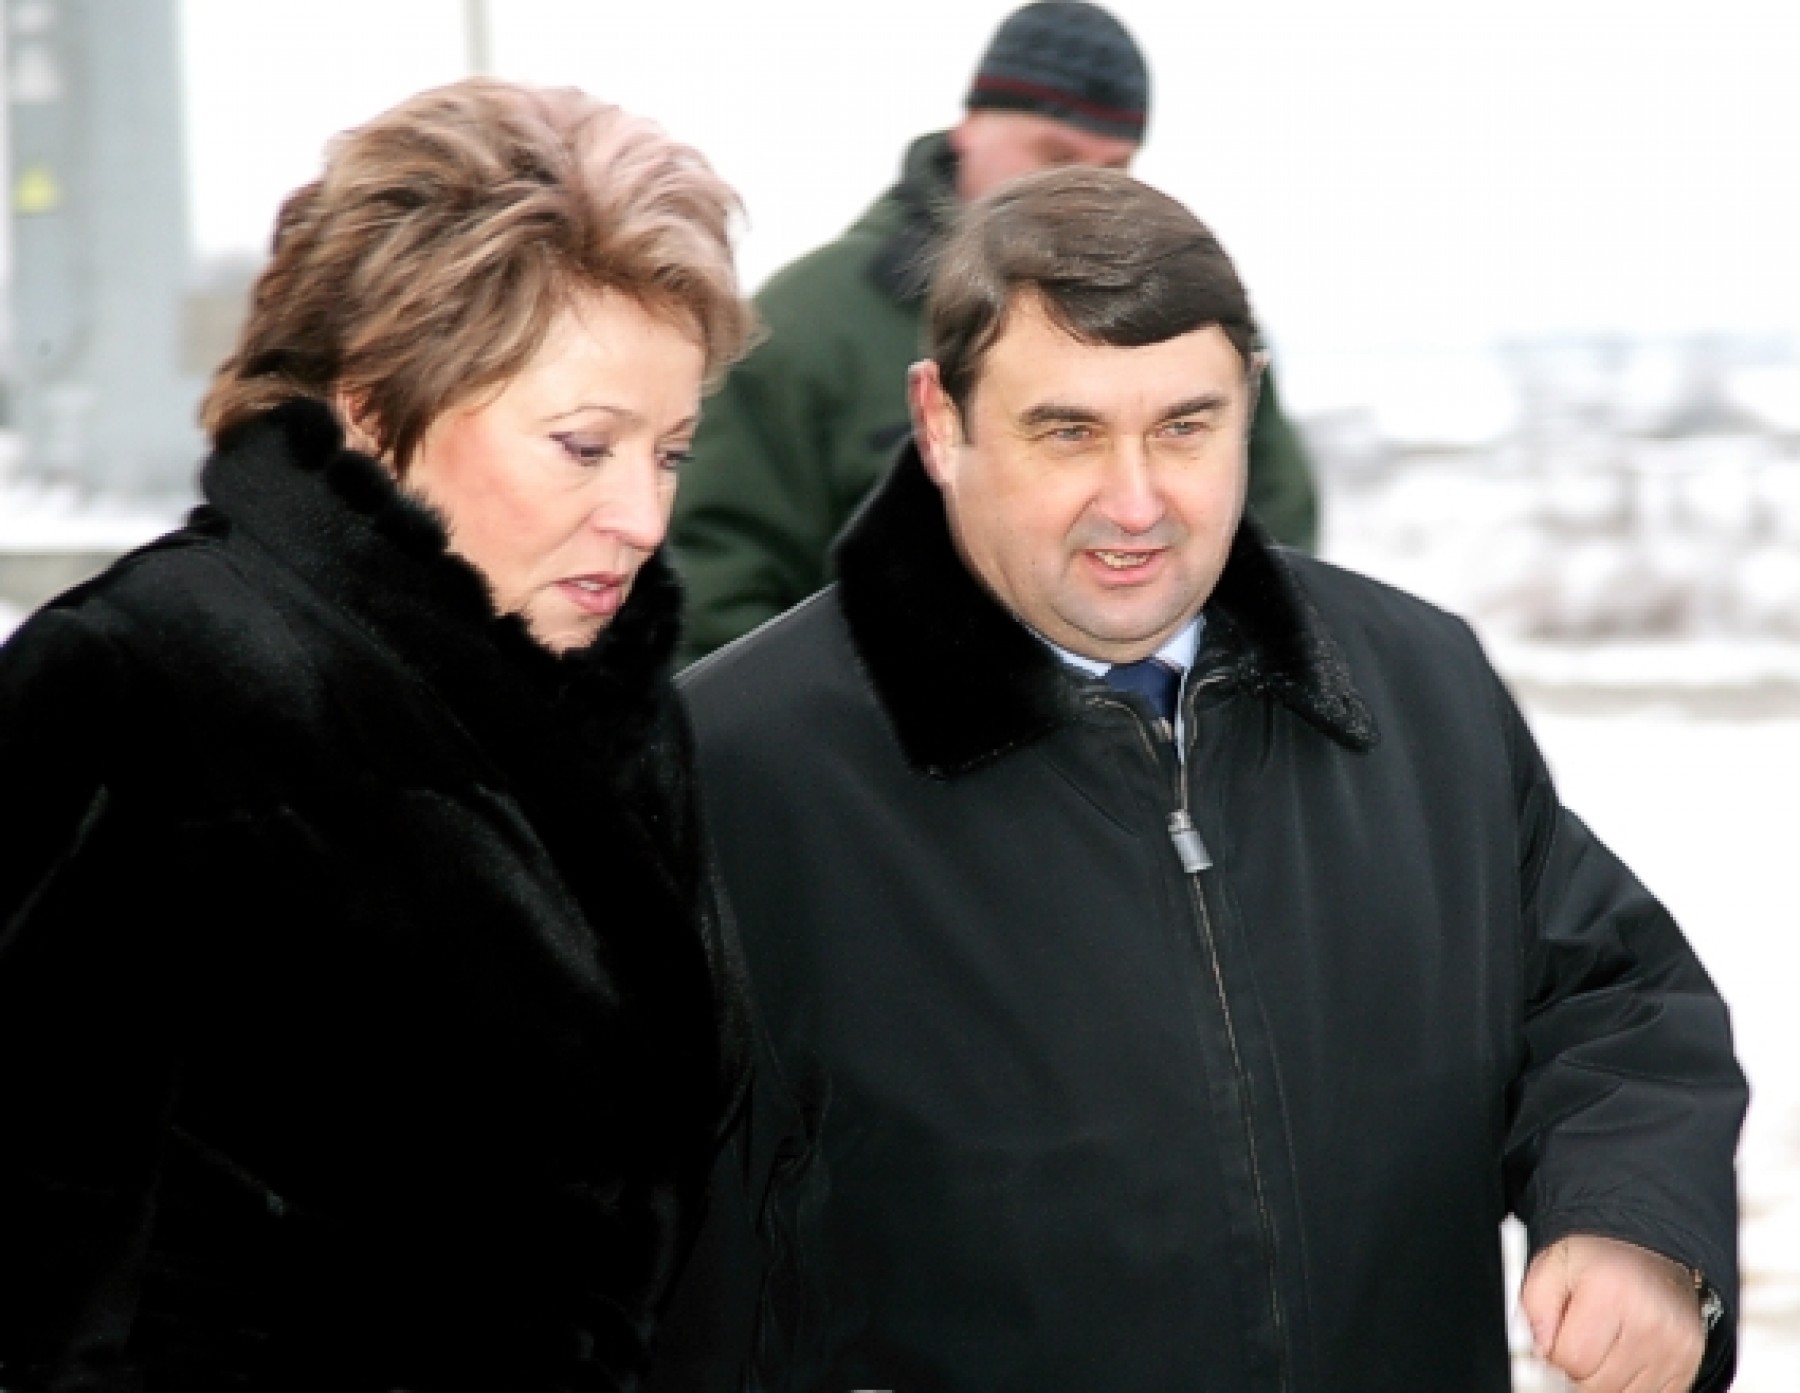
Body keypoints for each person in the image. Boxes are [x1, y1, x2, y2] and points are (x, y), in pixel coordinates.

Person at [654, 168, 1746, 1392]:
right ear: (940, 421)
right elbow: (637, 1264)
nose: (1137, 502)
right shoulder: (735, 769)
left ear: (1251, 404)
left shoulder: (1419, 690)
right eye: (1068, 431)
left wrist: (1634, 1222)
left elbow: (1611, 999)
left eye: (1185, 426)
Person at [0, 79, 757, 1391]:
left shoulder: (621, 722)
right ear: (374, 406)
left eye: (671, 454)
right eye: (585, 446)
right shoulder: (138, 686)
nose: (644, 516)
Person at [668, 0, 1321, 666]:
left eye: (1114, 165)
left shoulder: (1193, 317)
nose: (1083, 187)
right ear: (971, 129)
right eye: (1055, 155)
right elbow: (718, 592)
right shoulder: (802, 330)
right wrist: (853, 722)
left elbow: (1277, 545)